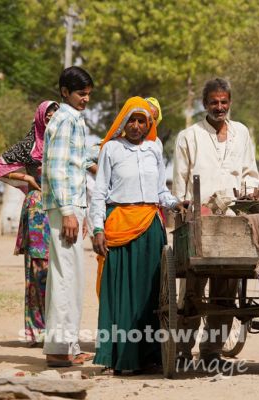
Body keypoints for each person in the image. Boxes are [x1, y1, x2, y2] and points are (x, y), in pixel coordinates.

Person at [90, 96, 186, 374]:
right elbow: (99, 193)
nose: (135, 125)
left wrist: (176, 202)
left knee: (153, 295)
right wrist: (98, 229)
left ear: (149, 124)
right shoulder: (111, 149)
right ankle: (120, 358)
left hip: (150, 229)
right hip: (119, 227)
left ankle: (151, 356)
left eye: (141, 121)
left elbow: (159, 191)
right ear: (123, 122)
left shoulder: (155, 149)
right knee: (121, 296)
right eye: (131, 120)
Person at [173, 77, 259, 369]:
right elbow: (180, 184)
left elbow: (250, 173)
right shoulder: (189, 136)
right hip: (200, 221)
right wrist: (185, 208)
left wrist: (252, 190)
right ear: (204, 104)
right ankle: (184, 348)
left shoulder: (242, 133)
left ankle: (212, 351)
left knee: (227, 288)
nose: (219, 107)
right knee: (193, 288)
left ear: (230, 103)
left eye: (224, 102)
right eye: (214, 102)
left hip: (234, 220)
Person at [0, 100, 59, 346]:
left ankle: (57, 330)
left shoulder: (63, 143)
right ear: (40, 116)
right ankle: (36, 331)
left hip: (61, 208)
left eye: (55, 114)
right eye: (47, 114)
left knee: (59, 272)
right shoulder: (30, 144)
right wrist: (26, 176)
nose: (51, 117)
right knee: (38, 271)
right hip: (38, 212)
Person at [41, 66, 94, 367]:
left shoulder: (75, 119)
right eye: (80, 94)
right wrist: (68, 212)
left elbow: (78, 162)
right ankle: (59, 350)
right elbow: (56, 169)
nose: (85, 99)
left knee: (72, 278)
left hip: (73, 206)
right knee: (65, 277)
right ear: (64, 92)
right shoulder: (63, 119)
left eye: (88, 94)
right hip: (65, 208)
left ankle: (68, 346)